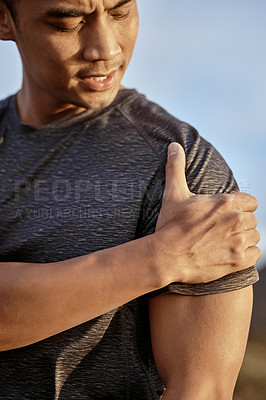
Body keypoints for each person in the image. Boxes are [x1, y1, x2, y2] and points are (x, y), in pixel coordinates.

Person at [0, 0, 261, 399]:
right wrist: (163, 257)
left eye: (120, 12)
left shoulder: (181, 167)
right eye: (67, 22)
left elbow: (201, 391)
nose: (104, 48)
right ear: (5, 19)